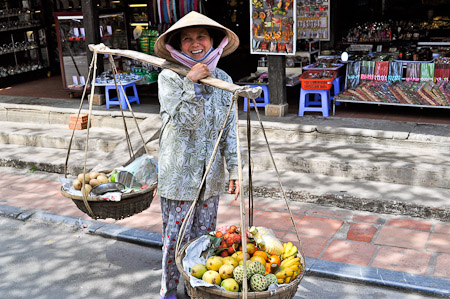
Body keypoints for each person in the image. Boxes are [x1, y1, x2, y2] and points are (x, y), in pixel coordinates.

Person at [153, 11, 241, 299]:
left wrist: (235, 170)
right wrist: (192, 83)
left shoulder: (225, 80)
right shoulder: (170, 77)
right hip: (179, 176)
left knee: (205, 241)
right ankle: (169, 290)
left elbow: (229, 129)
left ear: (212, 41)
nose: (195, 44)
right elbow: (184, 121)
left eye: (200, 36)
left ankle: (196, 288)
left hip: (211, 176)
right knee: (175, 240)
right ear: (177, 46)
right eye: (187, 39)